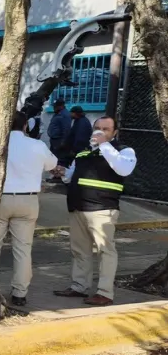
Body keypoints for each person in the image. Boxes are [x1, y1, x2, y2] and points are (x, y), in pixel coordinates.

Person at [0, 111, 58, 306]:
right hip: (28, 200)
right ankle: (20, 292)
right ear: (26, 125)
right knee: (23, 248)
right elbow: (52, 163)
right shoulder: (37, 145)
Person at [52, 116, 137, 306]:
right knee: (80, 250)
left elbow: (124, 169)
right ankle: (79, 286)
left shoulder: (124, 151)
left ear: (114, 133)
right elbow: (72, 177)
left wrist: (104, 145)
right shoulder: (83, 153)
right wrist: (63, 172)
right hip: (77, 207)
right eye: (97, 128)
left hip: (102, 209)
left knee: (106, 251)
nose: (100, 132)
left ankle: (105, 293)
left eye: (105, 129)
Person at [47, 99, 72, 164]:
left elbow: (66, 129)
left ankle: (59, 172)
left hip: (59, 141)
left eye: (55, 106)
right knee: (53, 158)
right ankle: (55, 172)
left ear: (61, 106)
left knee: (59, 159)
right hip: (54, 140)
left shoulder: (65, 115)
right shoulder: (57, 113)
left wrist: (63, 142)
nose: (54, 108)